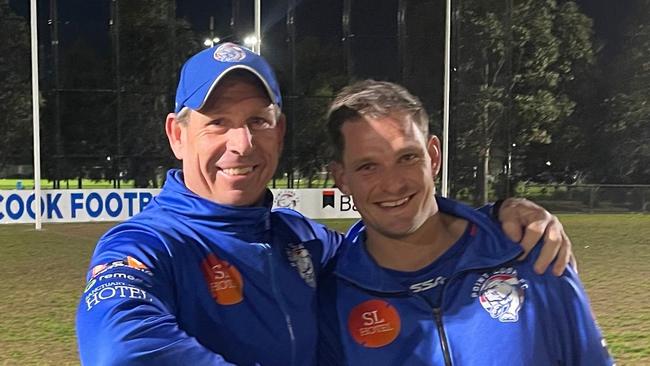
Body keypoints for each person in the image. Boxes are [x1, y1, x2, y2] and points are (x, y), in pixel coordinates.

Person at [76, 43, 573, 366]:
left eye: (257, 120)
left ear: (280, 130)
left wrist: (496, 216)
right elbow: (120, 348)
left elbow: (395, 240)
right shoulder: (148, 242)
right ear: (177, 135)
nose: (242, 144)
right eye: (217, 122)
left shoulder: (302, 239)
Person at [318, 80, 614, 365]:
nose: (393, 185)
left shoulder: (529, 251)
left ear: (433, 157)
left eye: (407, 157)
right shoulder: (332, 299)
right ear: (342, 178)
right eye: (368, 166)